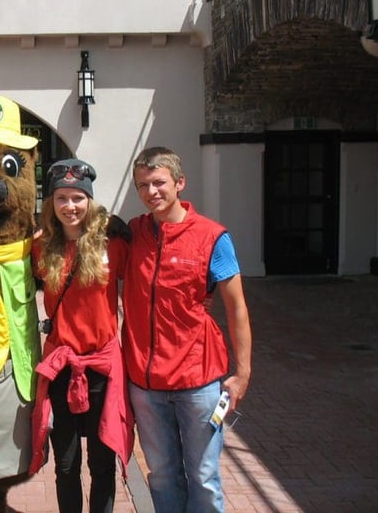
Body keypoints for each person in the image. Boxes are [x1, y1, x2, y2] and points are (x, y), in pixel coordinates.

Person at [122, 146, 252, 513]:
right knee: (162, 475)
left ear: (180, 183)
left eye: (159, 183)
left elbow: (237, 308)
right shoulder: (133, 233)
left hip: (198, 382)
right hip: (146, 384)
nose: (151, 192)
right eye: (143, 185)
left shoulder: (213, 237)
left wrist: (242, 375)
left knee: (203, 475)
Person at [29, 158, 133, 513]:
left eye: (77, 198)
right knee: (66, 465)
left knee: (102, 464)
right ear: (50, 204)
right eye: (61, 198)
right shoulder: (40, 247)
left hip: (102, 367)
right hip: (61, 365)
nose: (70, 206)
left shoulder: (115, 242)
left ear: (89, 200)